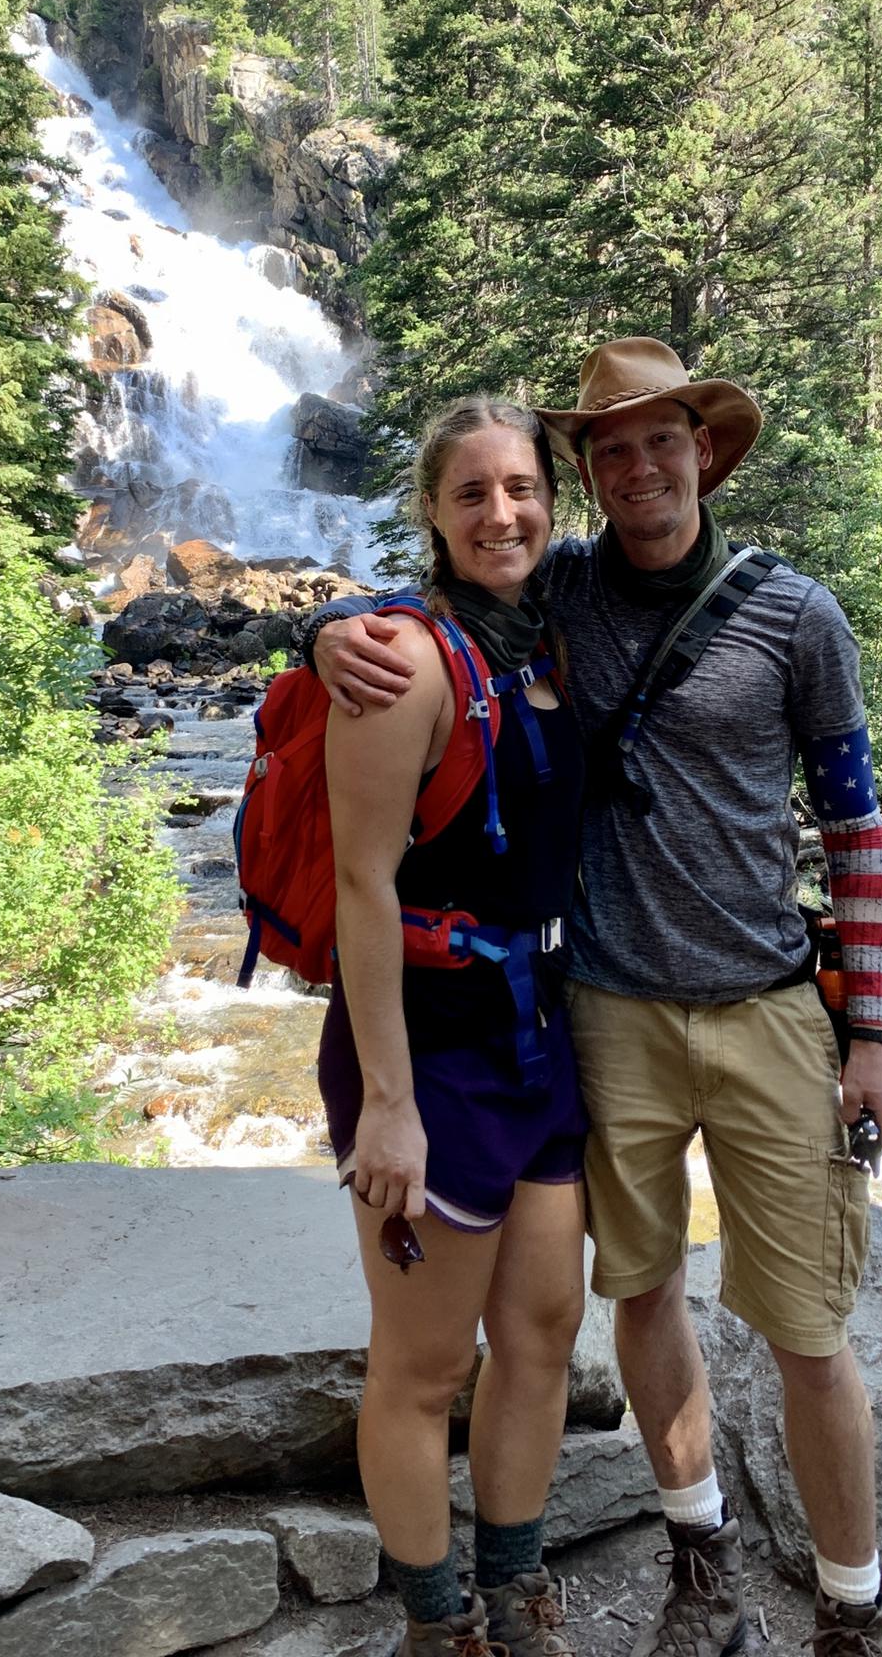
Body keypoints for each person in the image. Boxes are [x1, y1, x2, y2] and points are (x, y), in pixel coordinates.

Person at [309, 341, 882, 1657]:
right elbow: (424, 607)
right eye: (608, 448)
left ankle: (849, 1612)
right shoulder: (546, 594)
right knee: (633, 1300)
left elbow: (858, 831)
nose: (634, 466)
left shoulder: (794, 616)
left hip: (751, 1013)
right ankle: (670, 1569)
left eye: (661, 440)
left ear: (707, 448)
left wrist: (870, 1031)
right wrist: (324, 624)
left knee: (776, 1330)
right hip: (603, 1020)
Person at [320, 395, 588, 1657]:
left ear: (553, 497)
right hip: (427, 1049)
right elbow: (360, 882)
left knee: (541, 1334)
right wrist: (387, 1101)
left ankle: (518, 1588)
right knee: (423, 1366)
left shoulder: (551, 635)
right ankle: (439, 1623)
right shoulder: (406, 659)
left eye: (523, 486)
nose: (503, 511)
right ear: (430, 510)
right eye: (472, 491)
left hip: (540, 1033)